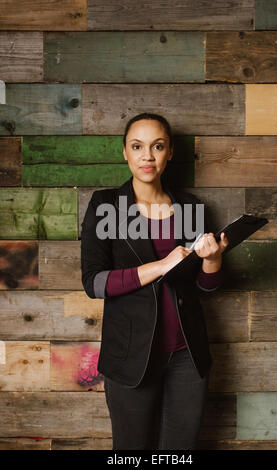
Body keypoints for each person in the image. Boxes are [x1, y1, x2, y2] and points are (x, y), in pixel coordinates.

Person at [81, 112, 229, 450]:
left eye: (157, 146)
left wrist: (213, 258)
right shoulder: (106, 206)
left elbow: (206, 287)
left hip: (187, 357)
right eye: (138, 146)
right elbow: (95, 283)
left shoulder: (190, 207)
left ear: (170, 152)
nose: (147, 156)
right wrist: (161, 265)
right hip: (132, 357)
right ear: (125, 152)